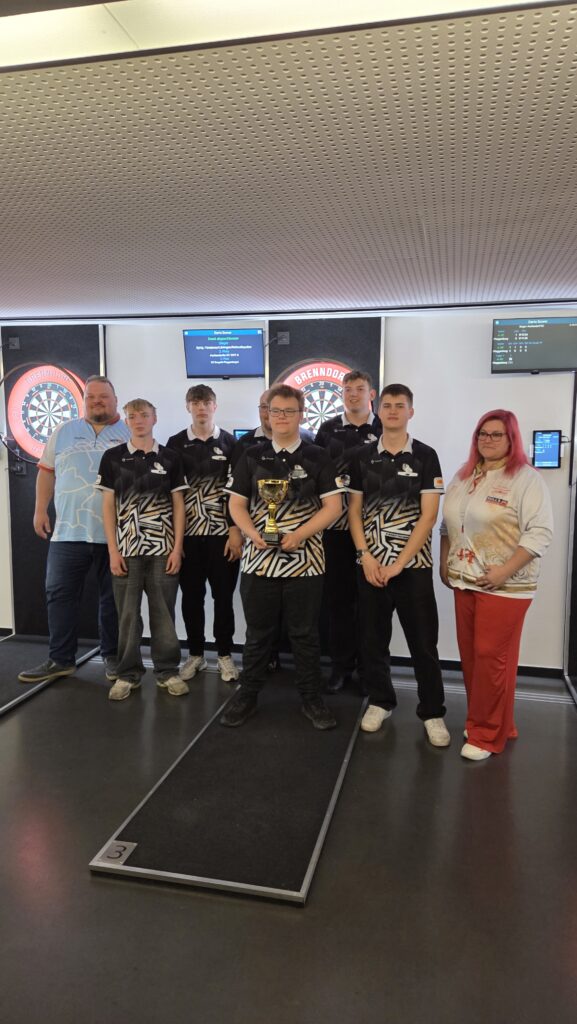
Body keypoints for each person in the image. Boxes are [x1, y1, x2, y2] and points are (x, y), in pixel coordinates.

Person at [222, 383, 345, 729]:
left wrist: (300, 534)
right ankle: (247, 696)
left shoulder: (318, 456)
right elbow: (236, 503)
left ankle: (312, 699)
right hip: (258, 561)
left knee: (305, 635)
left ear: (301, 415)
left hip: (306, 562)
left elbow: (333, 507)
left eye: (289, 412)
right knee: (258, 634)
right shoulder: (251, 455)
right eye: (275, 411)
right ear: (267, 413)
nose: (281, 417)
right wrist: (251, 533)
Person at [439, 409, 553, 761]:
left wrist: (505, 571)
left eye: (496, 434)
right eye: (482, 434)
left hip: (506, 586)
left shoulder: (526, 479)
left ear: (511, 439)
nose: (487, 440)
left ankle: (487, 735)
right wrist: (444, 562)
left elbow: (540, 533)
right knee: (477, 658)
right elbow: (447, 525)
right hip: (466, 581)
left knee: (490, 657)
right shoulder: (464, 475)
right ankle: (496, 722)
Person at [348, 383, 450, 747]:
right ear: (378, 410)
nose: (392, 411)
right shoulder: (361, 456)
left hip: (412, 567)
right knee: (372, 640)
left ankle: (432, 711)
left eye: (400, 405)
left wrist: (398, 564)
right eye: (387, 405)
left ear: (411, 411)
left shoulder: (425, 456)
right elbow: (354, 511)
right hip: (371, 565)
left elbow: (428, 517)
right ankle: (380, 701)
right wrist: (365, 556)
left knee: (423, 643)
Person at [18, 375, 130, 685]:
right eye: (91, 397)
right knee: (59, 595)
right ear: (84, 401)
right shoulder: (63, 431)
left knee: (113, 600)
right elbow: (46, 472)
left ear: (115, 400)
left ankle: (112, 657)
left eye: (103, 396)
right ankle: (60, 659)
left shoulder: (130, 432)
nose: (97, 401)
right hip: (67, 531)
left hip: (117, 535)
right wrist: (40, 509)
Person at [96, 399, 188, 701]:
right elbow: (107, 507)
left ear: (154, 418)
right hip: (126, 551)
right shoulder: (112, 458)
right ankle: (127, 674)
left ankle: (167, 671)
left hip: (163, 549)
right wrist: (113, 551)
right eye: (132, 416)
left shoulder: (171, 458)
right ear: (126, 421)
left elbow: (179, 505)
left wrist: (177, 548)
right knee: (127, 616)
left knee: (164, 614)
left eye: (144, 415)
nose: (138, 421)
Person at [166, 385, 242, 684]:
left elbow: (238, 493)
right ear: (188, 407)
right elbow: (171, 495)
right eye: (195, 402)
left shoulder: (231, 444)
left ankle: (224, 655)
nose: (201, 408)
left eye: (206, 402)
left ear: (214, 406)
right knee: (191, 597)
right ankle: (195, 654)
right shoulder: (174, 444)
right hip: (188, 537)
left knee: (223, 598)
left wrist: (235, 531)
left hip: (223, 536)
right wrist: (175, 540)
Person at [314, 369, 381, 692]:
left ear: (371, 394)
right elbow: (315, 474)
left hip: (374, 531)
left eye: (359, 389)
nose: (353, 394)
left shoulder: (383, 428)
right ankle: (340, 667)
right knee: (338, 602)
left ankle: (370, 670)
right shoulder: (327, 430)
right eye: (348, 389)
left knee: (372, 605)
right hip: (336, 530)